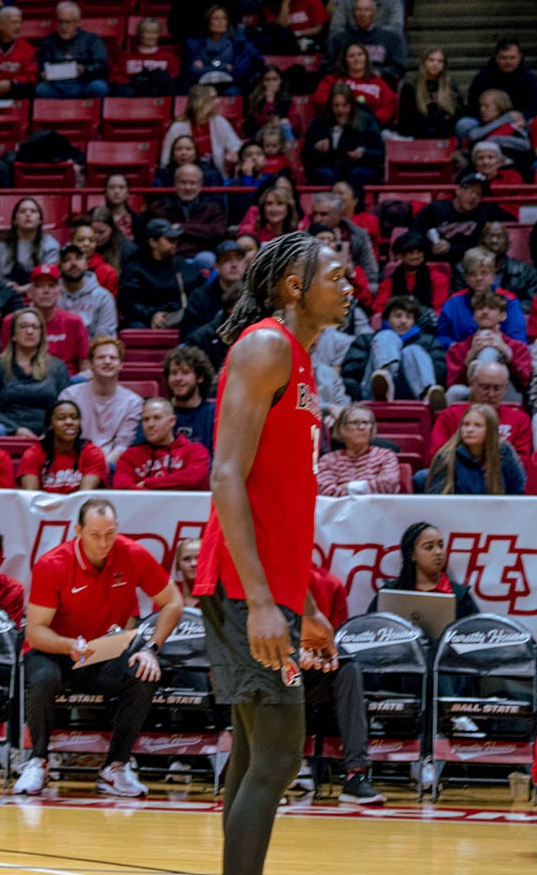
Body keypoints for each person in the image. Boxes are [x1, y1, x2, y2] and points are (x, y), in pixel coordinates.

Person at [193, 231, 352, 875]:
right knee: (282, 753)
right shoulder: (266, 346)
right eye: (336, 277)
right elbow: (226, 474)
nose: (349, 287)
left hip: (268, 588)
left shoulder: (300, 360)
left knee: (254, 753)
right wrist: (261, 601)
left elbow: (277, 505)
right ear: (294, 286)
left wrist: (305, 607)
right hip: (243, 587)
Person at [17, 498, 184, 798]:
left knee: (144, 673)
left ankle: (115, 767)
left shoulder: (132, 554)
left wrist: (151, 649)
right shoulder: (52, 563)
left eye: (109, 533)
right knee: (43, 679)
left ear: (116, 528)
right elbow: (35, 631)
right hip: (55, 651)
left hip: (101, 653)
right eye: (95, 535)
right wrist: (68, 645)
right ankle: (37, 761)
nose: (104, 542)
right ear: (78, 530)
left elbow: (173, 602)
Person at [300, 563, 387, 803]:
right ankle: (284, 766)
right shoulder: (268, 576)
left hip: (317, 667)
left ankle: (355, 775)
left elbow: (335, 639)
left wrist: (319, 653)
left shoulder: (331, 583)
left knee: (349, 670)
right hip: (277, 662)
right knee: (286, 669)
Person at [0, 309, 70, 437]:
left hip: (49, 433)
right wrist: (16, 429)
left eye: (35, 327)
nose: (29, 331)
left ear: (41, 334)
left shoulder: (57, 367)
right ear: (13, 335)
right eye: (23, 326)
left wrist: (48, 433)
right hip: (7, 429)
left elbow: (63, 407)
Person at [60, 337, 145, 465]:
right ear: (91, 364)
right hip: (74, 463)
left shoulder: (134, 403)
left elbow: (122, 446)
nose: (107, 361)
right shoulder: (69, 396)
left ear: (121, 365)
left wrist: (97, 469)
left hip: (111, 466)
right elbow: (63, 440)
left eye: (113, 358)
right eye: (101, 357)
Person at [376, 522, 481, 616]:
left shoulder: (460, 596)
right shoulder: (390, 593)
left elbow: (475, 629)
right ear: (412, 554)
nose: (438, 552)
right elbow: (372, 626)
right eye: (429, 547)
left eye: (441, 545)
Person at [425, 404, 525, 495]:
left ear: (490, 430)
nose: (469, 430)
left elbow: (518, 491)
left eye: (477, 425)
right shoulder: (446, 456)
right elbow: (436, 499)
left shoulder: (504, 452)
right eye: (466, 424)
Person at [116, 398, 212, 489]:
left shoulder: (195, 451)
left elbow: (195, 479)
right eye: (146, 419)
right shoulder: (130, 456)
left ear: (172, 421)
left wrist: (148, 484)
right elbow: (122, 487)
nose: (150, 424)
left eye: (157, 418)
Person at [18, 400, 107, 494]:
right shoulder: (33, 454)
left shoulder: (92, 453)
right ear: (50, 425)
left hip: (80, 503)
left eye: (74, 418)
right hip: (44, 503)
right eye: (61, 418)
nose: (69, 422)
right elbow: (31, 496)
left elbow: (84, 496)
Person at [316, 404, 401, 496]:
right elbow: (326, 491)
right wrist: (369, 487)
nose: (361, 427)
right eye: (355, 422)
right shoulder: (328, 460)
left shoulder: (385, 456)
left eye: (366, 422)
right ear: (342, 428)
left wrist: (347, 487)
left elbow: (388, 486)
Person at [166, 345, 218, 450]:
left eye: (185, 373)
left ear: (200, 377)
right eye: (174, 373)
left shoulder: (215, 413)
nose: (178, 378)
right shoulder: (158, 413)